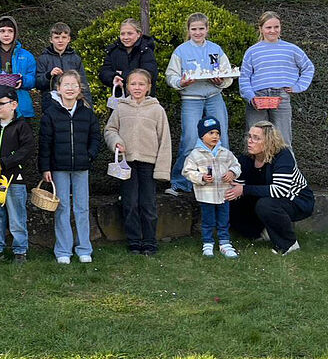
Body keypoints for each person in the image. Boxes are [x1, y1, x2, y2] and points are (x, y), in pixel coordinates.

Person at [104, 69, 171, 255]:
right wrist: (116, 141)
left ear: (149, 87)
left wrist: (162, 170)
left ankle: (149, 242)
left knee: (147, 204)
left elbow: (165, 140)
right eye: (133, 84)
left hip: (149, 163)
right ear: (127, 86)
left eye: (141, 84)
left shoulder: (157, 110)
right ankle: (134, 241)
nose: (137, 87)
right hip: (127, 164)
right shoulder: (121, 108)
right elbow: (110, 130)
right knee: (130, 203)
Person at [165, 13, 234, 196]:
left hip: (213, 97)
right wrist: (181, 83)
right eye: (194, 29)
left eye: (201, 28)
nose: (197, 32)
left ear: (207, 29)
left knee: (221, 138)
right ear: (188, 30)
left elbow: (227, 74)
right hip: (191, 99)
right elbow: (171, 76)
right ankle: (181, 183)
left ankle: (224, 180)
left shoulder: (215, 49)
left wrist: (220, 81)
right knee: (189, 139)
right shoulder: (181, 51)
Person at [38, 71, 100, 264]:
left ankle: (84, 249)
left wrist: (90, 155)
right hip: (59, 168)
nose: (70, 88)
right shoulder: (50, 114)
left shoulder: (87, 113)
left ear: (79, 88)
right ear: (58, 89)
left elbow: (95, 137)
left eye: (74, 85)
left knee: (82, 208)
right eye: (66, 85)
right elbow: (45, 143)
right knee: (62, 208)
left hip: (81, 167)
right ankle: (63, 250)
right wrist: (45, 168)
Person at [226, 121, 314, 256]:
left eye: (256, 138)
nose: (250, 141)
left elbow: (280, 190)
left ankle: (289, 244)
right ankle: (259, 232)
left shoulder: (283, 156)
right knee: (233, 200)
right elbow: (238, 187)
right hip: (268, 197)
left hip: (297, 200)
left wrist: (244, 189)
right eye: (249, 136)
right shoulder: (246, 159)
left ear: (269, 141)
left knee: (265, 205)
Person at [0, 85, 35, 265]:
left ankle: (20, 251)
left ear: (14, 105)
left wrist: (5, 162)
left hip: (15, 180)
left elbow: (27, 149)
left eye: (1, 103)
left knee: (17, 216)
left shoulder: (22, 126)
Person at [239, 11, 314, 145]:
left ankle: (288, 166)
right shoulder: (252, 51)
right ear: (261, 29)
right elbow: (244, 77)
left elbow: (308, 67)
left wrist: (298, 86)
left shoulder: (292, 49)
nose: (273, 31)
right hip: (257, 98)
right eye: (268, 27)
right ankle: (256, 166)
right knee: (254, 140)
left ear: (280, 27)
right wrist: (251, 97)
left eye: (276, 27)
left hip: (281, 97)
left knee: (283, 140)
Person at [182, 117, 241, 259]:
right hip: (206, 195)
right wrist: (201, 178)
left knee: (224, 220)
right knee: (208, 221)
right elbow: (187, 171)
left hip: (224, 194)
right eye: (211, 133)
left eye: (217, 133)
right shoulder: (195, 154)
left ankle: (224, 243)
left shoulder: (225, 153)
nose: (215, 136)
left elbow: (236, 165)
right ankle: (207, 243)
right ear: (202, 135)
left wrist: (232, 173)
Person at [0, 16, 37, 120]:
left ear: (15, 33)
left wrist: (23, 81)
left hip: (21, 107)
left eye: (10, 31)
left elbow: (34, 79)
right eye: (2, 31)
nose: (6, 34)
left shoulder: (27, 56)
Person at [35, 22, 92, 112]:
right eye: (57, 38)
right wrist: (49, 75)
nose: (60, 41)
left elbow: (83, 83)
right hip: (51, 104)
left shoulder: (76, 59)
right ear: (51, 39)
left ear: (69, 39)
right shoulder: (43, 59)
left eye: (64, 37)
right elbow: (38, 83)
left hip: (74, 103)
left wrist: (89, 107)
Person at [99, 18, 158, 96]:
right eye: (122, 34)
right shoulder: (113, 51)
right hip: (119, 99)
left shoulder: (146, 51)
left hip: (143, 100)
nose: (125, 37)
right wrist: (113, 78)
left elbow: (148, 74)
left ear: (139, 34)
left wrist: (121, 74)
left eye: (130, 33)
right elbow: (104, 72)